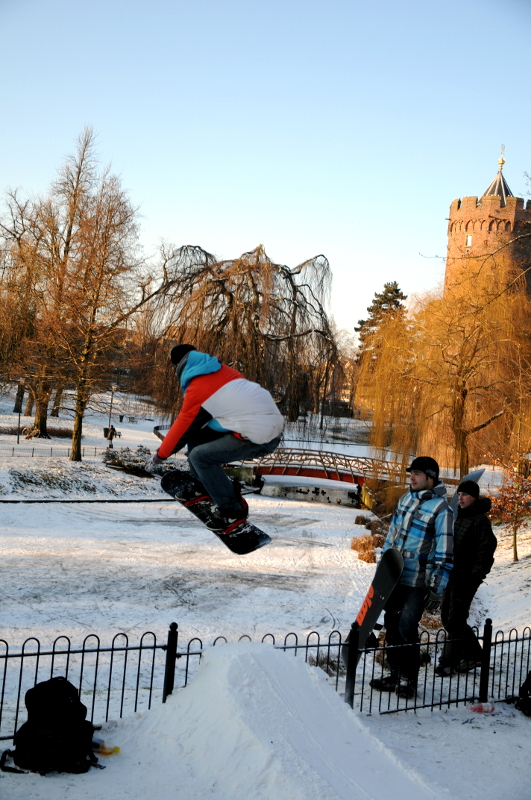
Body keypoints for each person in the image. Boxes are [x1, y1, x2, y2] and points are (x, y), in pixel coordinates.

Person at [145, 344, 284, 529]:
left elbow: (182, 427)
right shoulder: (223, 372)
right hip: (265, 425)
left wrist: (159, 456)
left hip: (260, 436)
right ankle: (204, 484)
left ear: (177, 366)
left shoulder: (199, 388)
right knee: (196, 435)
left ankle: (233, 510)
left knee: (199, 457)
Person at [370, 456, 454, 699]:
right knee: (392, 625)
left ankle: (408, 679)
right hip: (394, 577)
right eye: (411, 473)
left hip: (417, 581)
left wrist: (436, 588)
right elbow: (392, 535)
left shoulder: (442, 510)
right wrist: (383, 568)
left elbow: (445, 552)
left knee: (407, 627)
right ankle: (395, 674)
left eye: (417, 473)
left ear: (431, 477)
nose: (411, 477)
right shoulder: (405, 499)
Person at [435, 480, 497, 676]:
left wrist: (473, 578)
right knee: (447, 619)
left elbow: (486, 553)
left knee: (455, 620)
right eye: (459, 494)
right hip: (451, 577)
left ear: (474, 497)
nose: (460, 498)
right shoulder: (460, 517)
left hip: (465, 581)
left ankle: (462, 659)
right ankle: (462, 657)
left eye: (465, 495)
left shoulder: (480, 521)